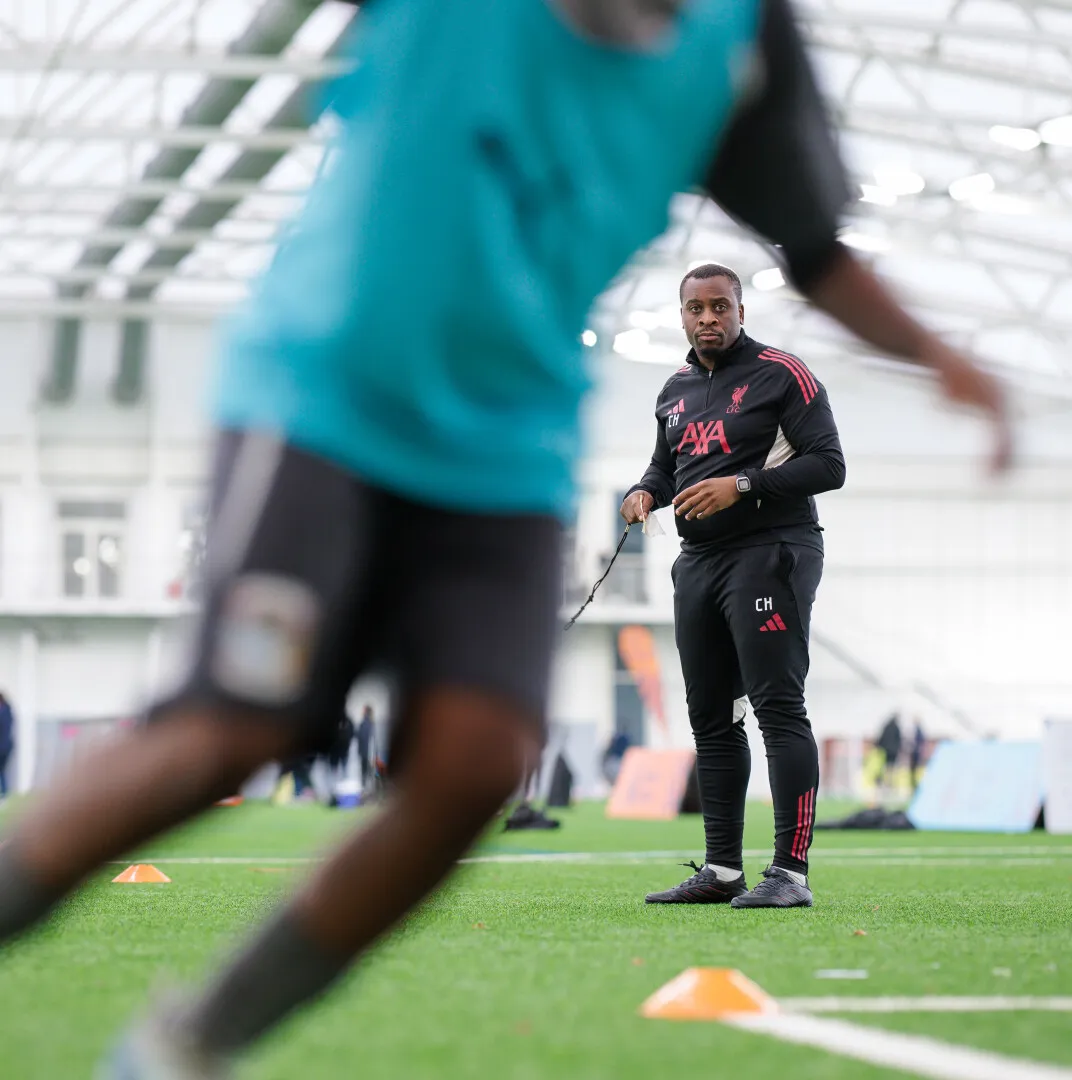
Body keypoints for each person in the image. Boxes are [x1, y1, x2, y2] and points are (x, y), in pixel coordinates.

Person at [0, 2, 1010, 1076]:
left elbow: (810, 243)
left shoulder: (739, 36)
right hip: (323, 400)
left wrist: (940, 357)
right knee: (230, 727)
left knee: (476, 762)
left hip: (506, 447)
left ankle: (185, 1047)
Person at [627, 262, 845, 910]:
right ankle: (722, 870)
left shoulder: (783, 374)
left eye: (720, 307)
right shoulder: (673, 390)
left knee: (778, 706)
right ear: (683, 315)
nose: (708, 319)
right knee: (712, 717)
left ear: (741, 311)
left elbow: (829, 463)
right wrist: (644, 492)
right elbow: (666, 466)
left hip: (771, 551)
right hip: (699, 563)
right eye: (696, 309)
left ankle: (791, 874)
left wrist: (742, 484)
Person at [355, 705, 374, 791]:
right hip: (367, 751)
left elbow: (362, 736)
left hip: (365, 751)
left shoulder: (365, 723)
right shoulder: (370, 723)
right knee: (367, 771)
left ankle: (365, 788)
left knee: (365, 771)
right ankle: (367, 787)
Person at [0, 693, 14, 800]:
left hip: (3, 746)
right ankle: (4, 792)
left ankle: (4, 792)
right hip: (5, 745)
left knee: (2, 770)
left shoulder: (5, 712)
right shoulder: (7, 711)